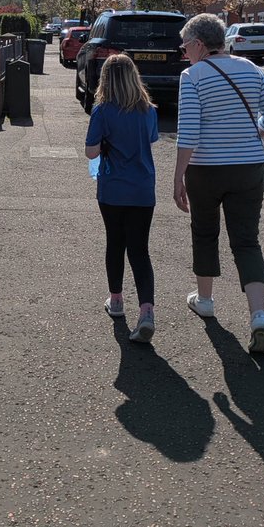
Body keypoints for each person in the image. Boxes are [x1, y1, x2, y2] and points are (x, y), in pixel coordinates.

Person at [173, 13, 264, 353]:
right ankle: (259, 317)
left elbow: (189, 132)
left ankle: (205, 300)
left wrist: (177, 177)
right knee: (247, 241)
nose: (183, 52)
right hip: (249, 167)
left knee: (205, 232)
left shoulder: (192, 76)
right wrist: (254, 133)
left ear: (200, 44)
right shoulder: (252, 70)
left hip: (206, 170)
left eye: (185, 45)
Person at [84, 53, 160, 344]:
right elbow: (151, 140)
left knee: (115, 243)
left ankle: (116, 300)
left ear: (105, 79)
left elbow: (91, 152)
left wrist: (105, 144)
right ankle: (147, 311)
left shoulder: (102, 111)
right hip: (143, 189)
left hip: (113, 189)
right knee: (140, 250)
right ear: (133, 77)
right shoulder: (149, 110)